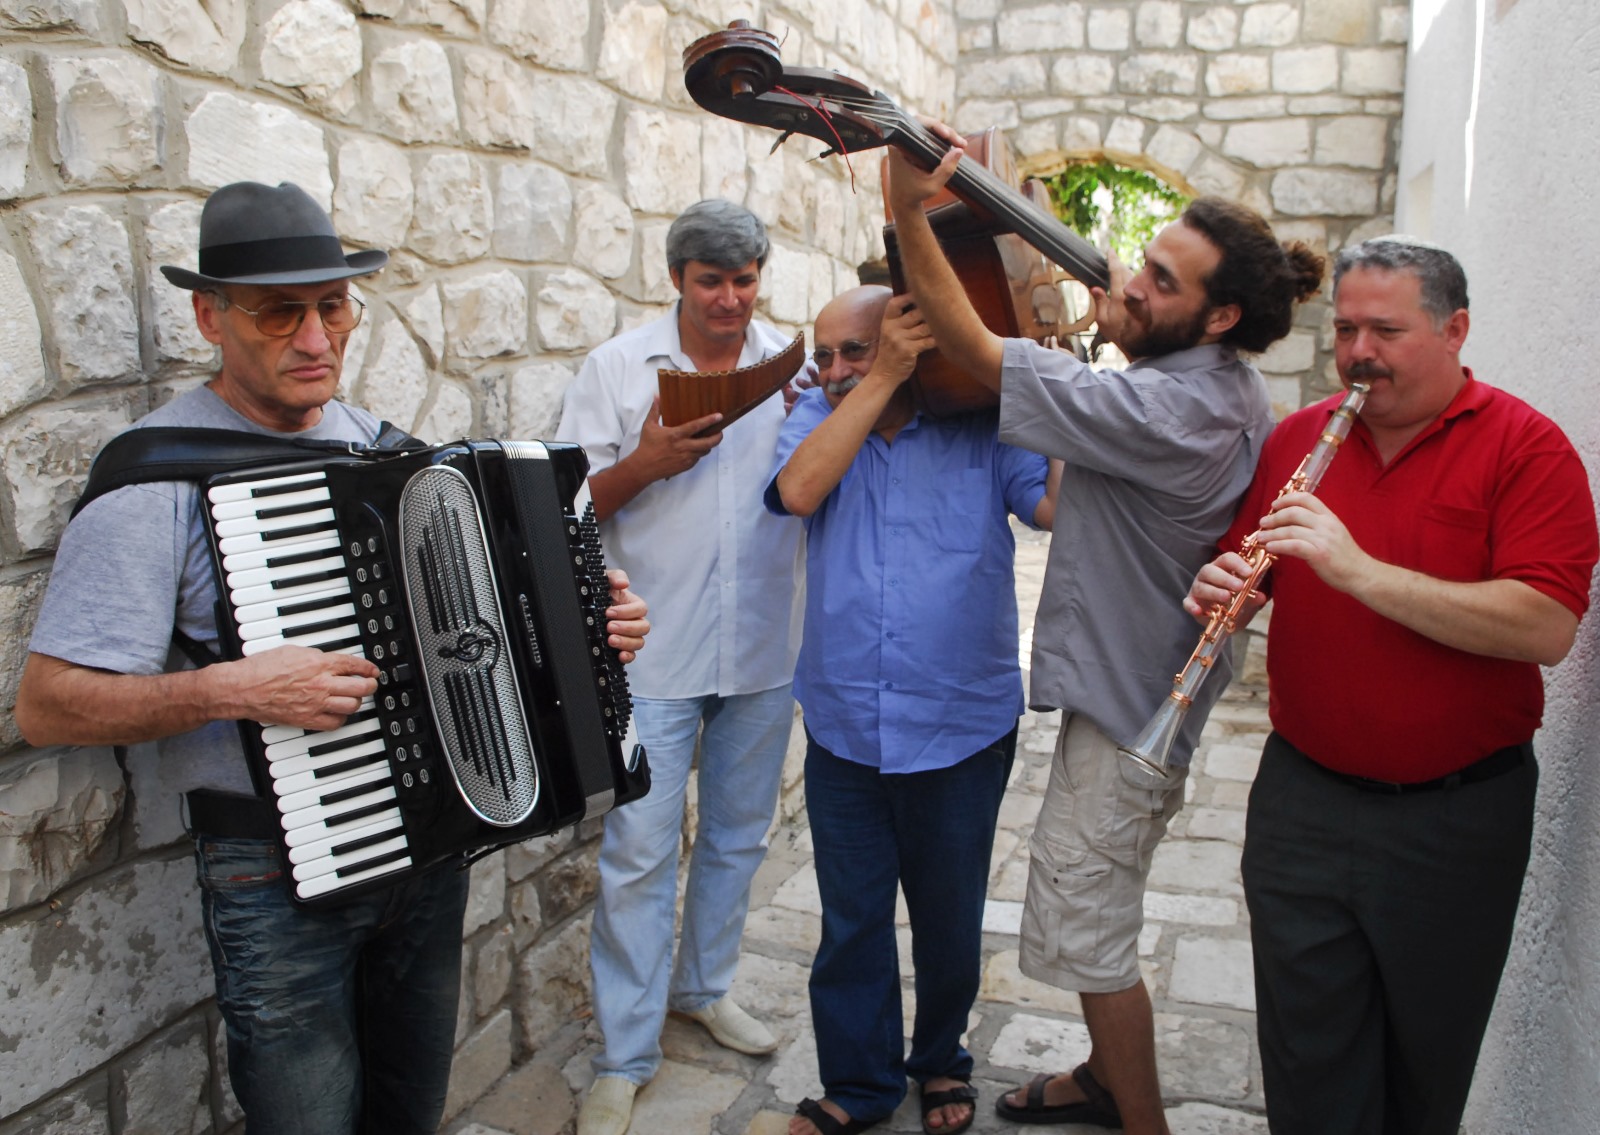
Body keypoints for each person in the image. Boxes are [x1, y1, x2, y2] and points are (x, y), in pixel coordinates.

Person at [12, 180, 651, 1135]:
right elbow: (48, 704)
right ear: (210, 317)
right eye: (279, 312)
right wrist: (235, 686)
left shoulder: (388, 453)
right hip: (270, 871)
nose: (316, 339)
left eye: (333, 306)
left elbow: (499, 626)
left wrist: (597, 627)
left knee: (408, 1110)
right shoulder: (152, 478)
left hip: (431, 849)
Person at [885, 131, 1325, 1135]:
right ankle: (1097, 1078)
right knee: (1097, 905)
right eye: (1141, 258)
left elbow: (974, 352)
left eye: (1158, 280)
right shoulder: (1215, 384)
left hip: (1129, 717)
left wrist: (910, 209)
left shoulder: (1170, 405)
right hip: (1140, 694)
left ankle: (1143, 1121)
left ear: (1217, 316)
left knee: (1087, 928)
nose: (1127, 281)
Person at [1186, 237, 1598, 1135]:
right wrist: (1227, 587)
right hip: (1303, 799)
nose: (1358, 352)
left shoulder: (1527, 448)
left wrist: (1360, 571)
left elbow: (1547, 626)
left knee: (1425, 1066)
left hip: (1454, 821)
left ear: (1454, 331)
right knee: (1307, 1059)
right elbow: (1259, 575)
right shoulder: (1302, 438)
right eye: (1344, 330)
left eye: (1386, 330)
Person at [768, 285, 1058, 1135]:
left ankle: (939, 1061)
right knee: (852, 917)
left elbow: (1054, 508)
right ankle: (858, 1085)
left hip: (962, 722)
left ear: (914, 340)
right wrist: (869, 382)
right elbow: (797, 493)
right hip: (845, 722)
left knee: (948, 913)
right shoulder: (817, 421)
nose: (830, 371)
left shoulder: (982, 422)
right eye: (823, 356)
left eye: (854, 350)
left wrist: (1063, 392)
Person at [556, 198, 806, 1135]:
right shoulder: (619, 370)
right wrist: (647, 461)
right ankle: (623, 1053)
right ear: (677, 280)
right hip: (650, 654)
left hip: (763, 645)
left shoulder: (791, 368)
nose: (733, 301)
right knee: (638, 855)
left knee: (739, 836)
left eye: (745, 280)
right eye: (713, 282)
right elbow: (566, 505)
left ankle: (704, 986)